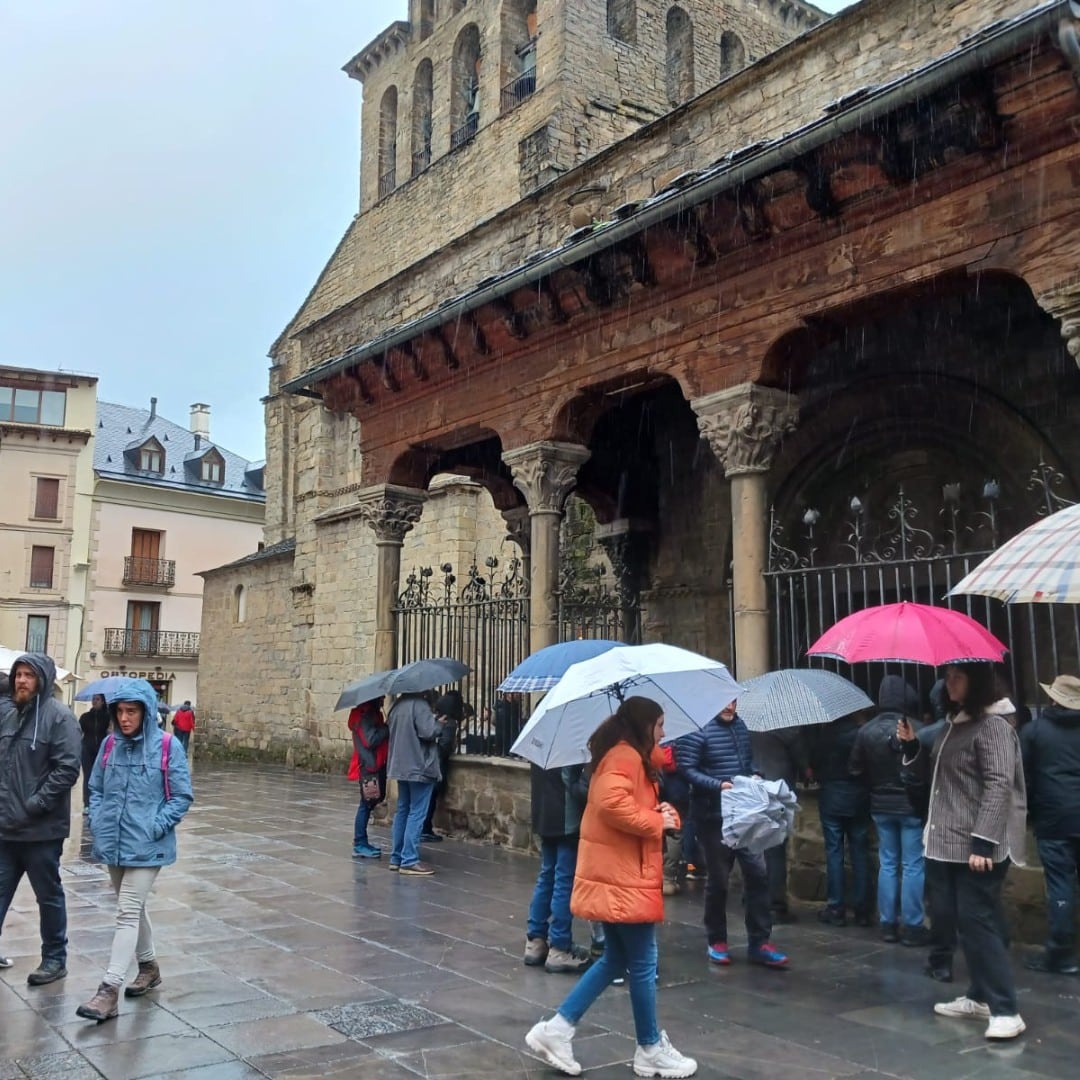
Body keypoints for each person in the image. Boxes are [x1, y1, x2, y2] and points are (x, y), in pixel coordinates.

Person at [525, 696, 697, 1078]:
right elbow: (610, 804)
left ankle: (558, 1029)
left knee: (616, 959)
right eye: (659, 724)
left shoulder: (630, 756)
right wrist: (656, 821)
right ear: (643, 725)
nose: (664, 732)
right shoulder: (625, 756)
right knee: (643, 961)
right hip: (623, 875)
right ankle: (650, 1047)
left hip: (620, 870)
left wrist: (661, 815)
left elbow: (625, 804)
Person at [898, 662, 1027, 1040]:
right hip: (944, 841)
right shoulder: (957, 723)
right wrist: (910, 746)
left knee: (978, 922)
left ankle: (1006, 1008)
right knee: (962, 920)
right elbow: (935, 778)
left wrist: (984, 840)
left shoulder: (994, 726)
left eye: (956, 676)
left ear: (977, 682)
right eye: (947, 676)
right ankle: (979, 996)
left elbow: (1000, 784)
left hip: (975, 846)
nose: (947, 683)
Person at [76, 678, 193, 1021]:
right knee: (133, 907)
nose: (125, 718)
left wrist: (154, 826)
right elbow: (95, 787)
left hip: (148, 845)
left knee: (126, 910)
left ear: (146, 711)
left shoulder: (168, 746)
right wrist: (97, 820)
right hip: (112, 842)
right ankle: (149, 966)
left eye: (132, 711)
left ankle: (108, 990)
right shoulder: (110, 745)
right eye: (121, 711)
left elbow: (182, 797)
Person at [679, 698, 789, 969]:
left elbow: (746, 763)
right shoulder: (698, 729)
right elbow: (687, 769)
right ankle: (717, 940)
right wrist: (718, 785)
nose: (729, 707)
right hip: (712, 816)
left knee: (758, 874)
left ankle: (760, 942)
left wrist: (754, 775)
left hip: (743, 814)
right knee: (719, 881)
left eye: (733, 701)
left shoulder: (740, 727)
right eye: (723, 702)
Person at [0, 653, 81, 982]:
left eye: (28, 675)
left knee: (48, 896)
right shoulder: (7, 717)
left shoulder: (60, 717)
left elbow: (67, 770)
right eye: (18, 675)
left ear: (43, 680)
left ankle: (54, 958)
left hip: (41, 831)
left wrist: (34, 805)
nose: (21, 680)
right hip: (5, 829)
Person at [849, 676, 929, 945]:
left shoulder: (866, 731)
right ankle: (914, 925)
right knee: (913, 864)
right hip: (910, 805)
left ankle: (888, 923)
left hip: (880, 804)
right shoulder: (918, 728)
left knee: (889, 863)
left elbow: (855, 769)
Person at [1021, 674, 1080, 975]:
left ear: (1053, 699)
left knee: (1060, 886)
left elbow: (1023, 777)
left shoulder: (1034, 731)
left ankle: (1061, 952)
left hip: (1053, 819)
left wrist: (1030, 811)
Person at [524, 763, 592, 973]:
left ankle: (535, 942)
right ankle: (559, 948)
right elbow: (574, 786)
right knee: (564, 880)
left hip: (545, 816)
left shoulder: (545, 737)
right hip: (566, 819)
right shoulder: (570, 743)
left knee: (547, 876)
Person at [810, 711, 871, 927]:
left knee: (834, 853)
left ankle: (836, 908)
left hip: (831, 798)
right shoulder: (861, 734)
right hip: (859, 798)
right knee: (859, 853)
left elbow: (814, 764)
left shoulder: (824, 736)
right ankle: (863, 910)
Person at [751, 726, 810, 921]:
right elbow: (802, 760)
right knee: (775, 849)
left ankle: (753, 897)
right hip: (777, 791)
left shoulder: (746, 724)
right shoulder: (788, 727)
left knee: (755, 846)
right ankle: (775, 904)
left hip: (753, 787)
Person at [386, 691, 445, 875]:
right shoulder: (419, 705)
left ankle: (396, 857)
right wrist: (439, 724)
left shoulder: (396, 705)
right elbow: (429, 731)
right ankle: (409, 859)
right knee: (417, 812)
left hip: (401, 765)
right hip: (419, 765)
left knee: (403, 810)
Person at [422, 690, 462, 842]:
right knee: (431, 799)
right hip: (437, 766)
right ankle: (425, 828)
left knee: (427, 798)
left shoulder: (436, 718)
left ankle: (424, 827)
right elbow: (444, 746)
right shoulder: (450, 723)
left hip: (428, 764)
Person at [350, 698, 388, 858]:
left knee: (370, 802)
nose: (384, 700)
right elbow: (370, 740)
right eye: (382, 697)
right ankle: (359, 843)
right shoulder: (366, 715)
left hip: (373, 764)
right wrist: (387, 728)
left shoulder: (370, 714)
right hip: (369, 766)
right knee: (365, 804)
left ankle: (361, 842)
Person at [79, 694, 112, 812]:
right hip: (87, 749)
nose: (94, 701)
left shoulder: (108, 717)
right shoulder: (85, 717)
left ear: (103, 701)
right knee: (87, 776)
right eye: (93, 699)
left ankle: (100, 802)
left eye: (97, 699)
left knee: (102, 776)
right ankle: (87, 804)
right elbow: (80, 732)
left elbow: (111, 732)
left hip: (102, 750)